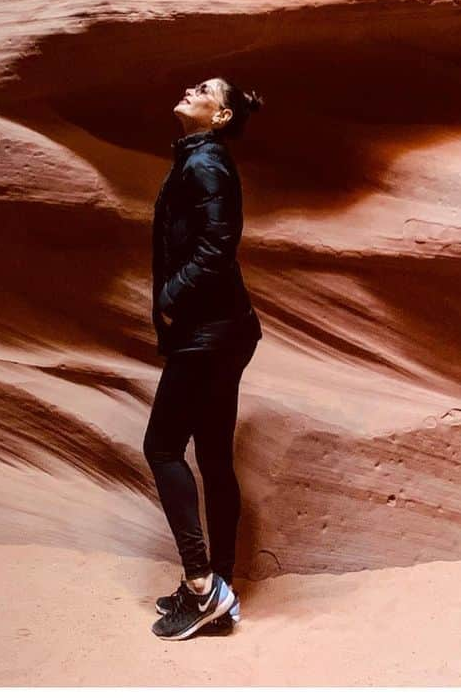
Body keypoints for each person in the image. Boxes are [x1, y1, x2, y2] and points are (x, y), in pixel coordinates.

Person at [144, 76, 264, 640]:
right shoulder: (198, 157)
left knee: (163, 446)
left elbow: (218, 246)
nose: (193, 88)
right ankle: (220, 582)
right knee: (213, 456)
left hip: (210, 334)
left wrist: (169, 301)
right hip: (224, 331)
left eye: (207, 89)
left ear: (219, 117)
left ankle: (203, 587)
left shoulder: (206, 163)